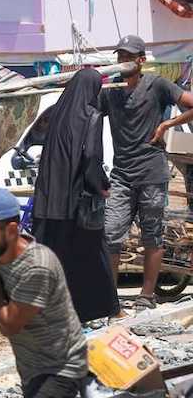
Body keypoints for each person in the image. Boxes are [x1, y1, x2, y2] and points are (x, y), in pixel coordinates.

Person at [0, 188, 87, 398]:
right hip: (32, 366)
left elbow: (8, 325)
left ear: (11, 230)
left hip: (61, 367)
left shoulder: (36, 266)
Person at [17, 69, 121, 324]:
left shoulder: (57, 114)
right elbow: (92, 158)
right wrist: (101, 185)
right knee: (94, 256)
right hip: (75, 205)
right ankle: (109, 309)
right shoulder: (92, 116)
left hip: (48, 202)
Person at [101, 35, 193, 310]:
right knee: (111, 234)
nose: (124, 62)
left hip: (152, 173)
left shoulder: (157, 85)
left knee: (152, 235)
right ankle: (108, 298)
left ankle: (146, 296)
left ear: (141, 60)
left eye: (129, 57)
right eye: (120, 57)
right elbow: (86, 111)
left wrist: (167, 125)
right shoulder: (112, 91)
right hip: (122, 175)